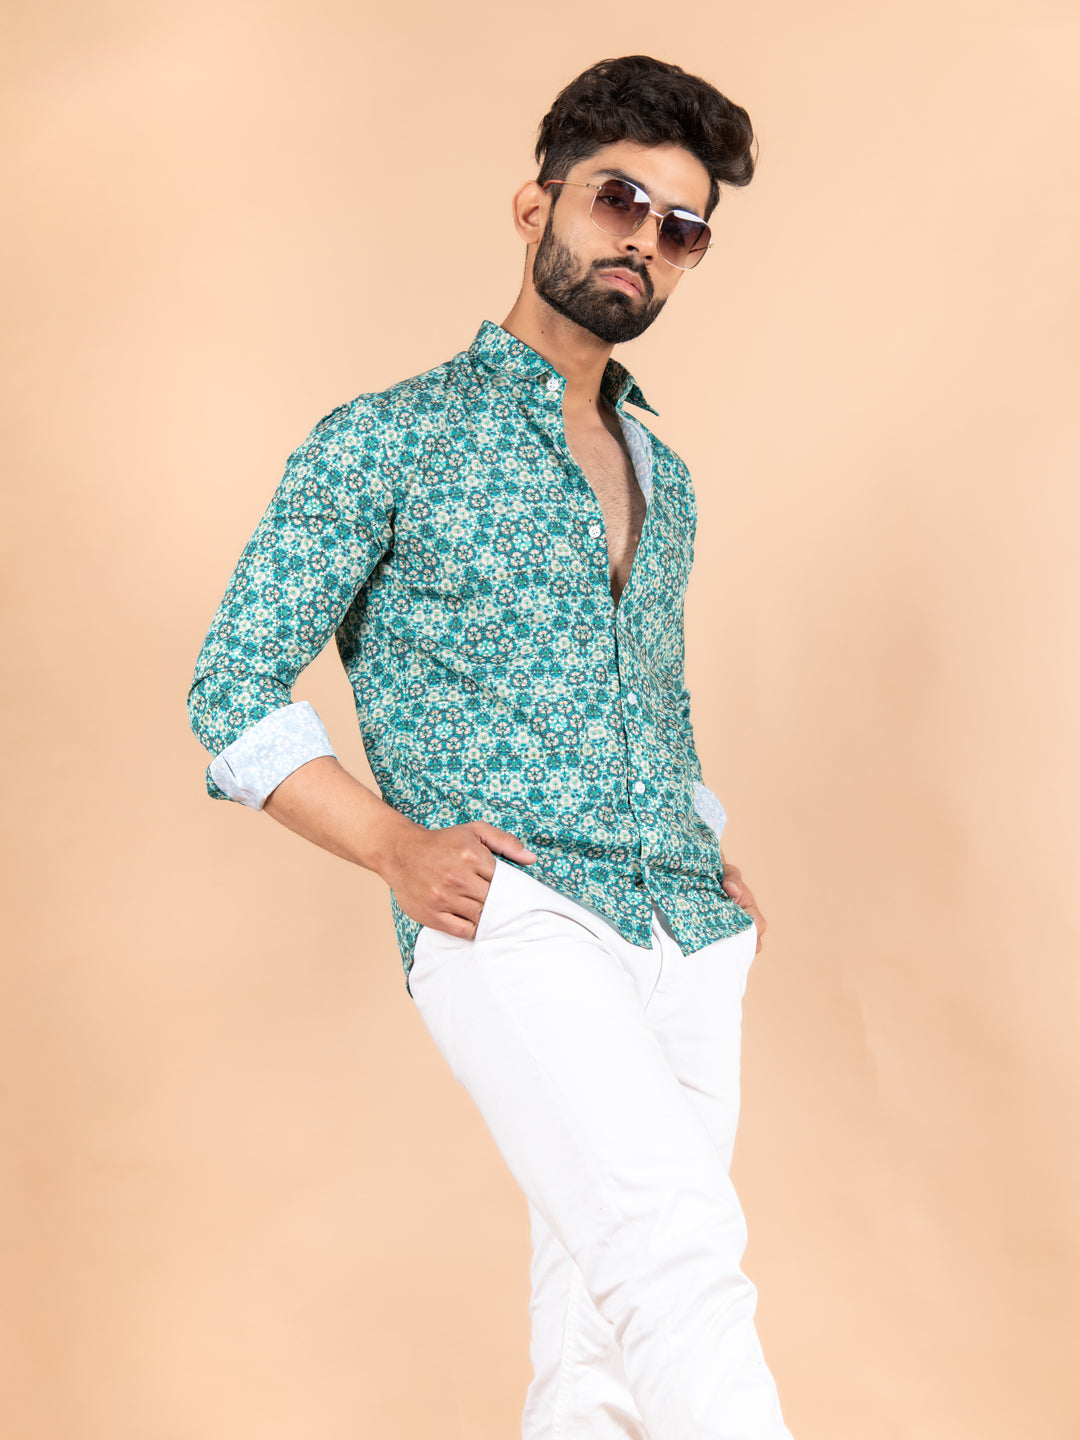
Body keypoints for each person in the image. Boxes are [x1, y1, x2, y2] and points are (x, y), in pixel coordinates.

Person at [187, 53, 795, 1440]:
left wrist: (704, 842)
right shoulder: (386, 441)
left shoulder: (665, 474)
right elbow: (231, 686)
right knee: (678, 1257)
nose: (644, 241)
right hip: (514, 909)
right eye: (618, 200)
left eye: (681, 228)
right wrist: (392, 848)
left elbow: (644, 691)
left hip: (686, 927)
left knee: (600, 1340)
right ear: (536, 207)